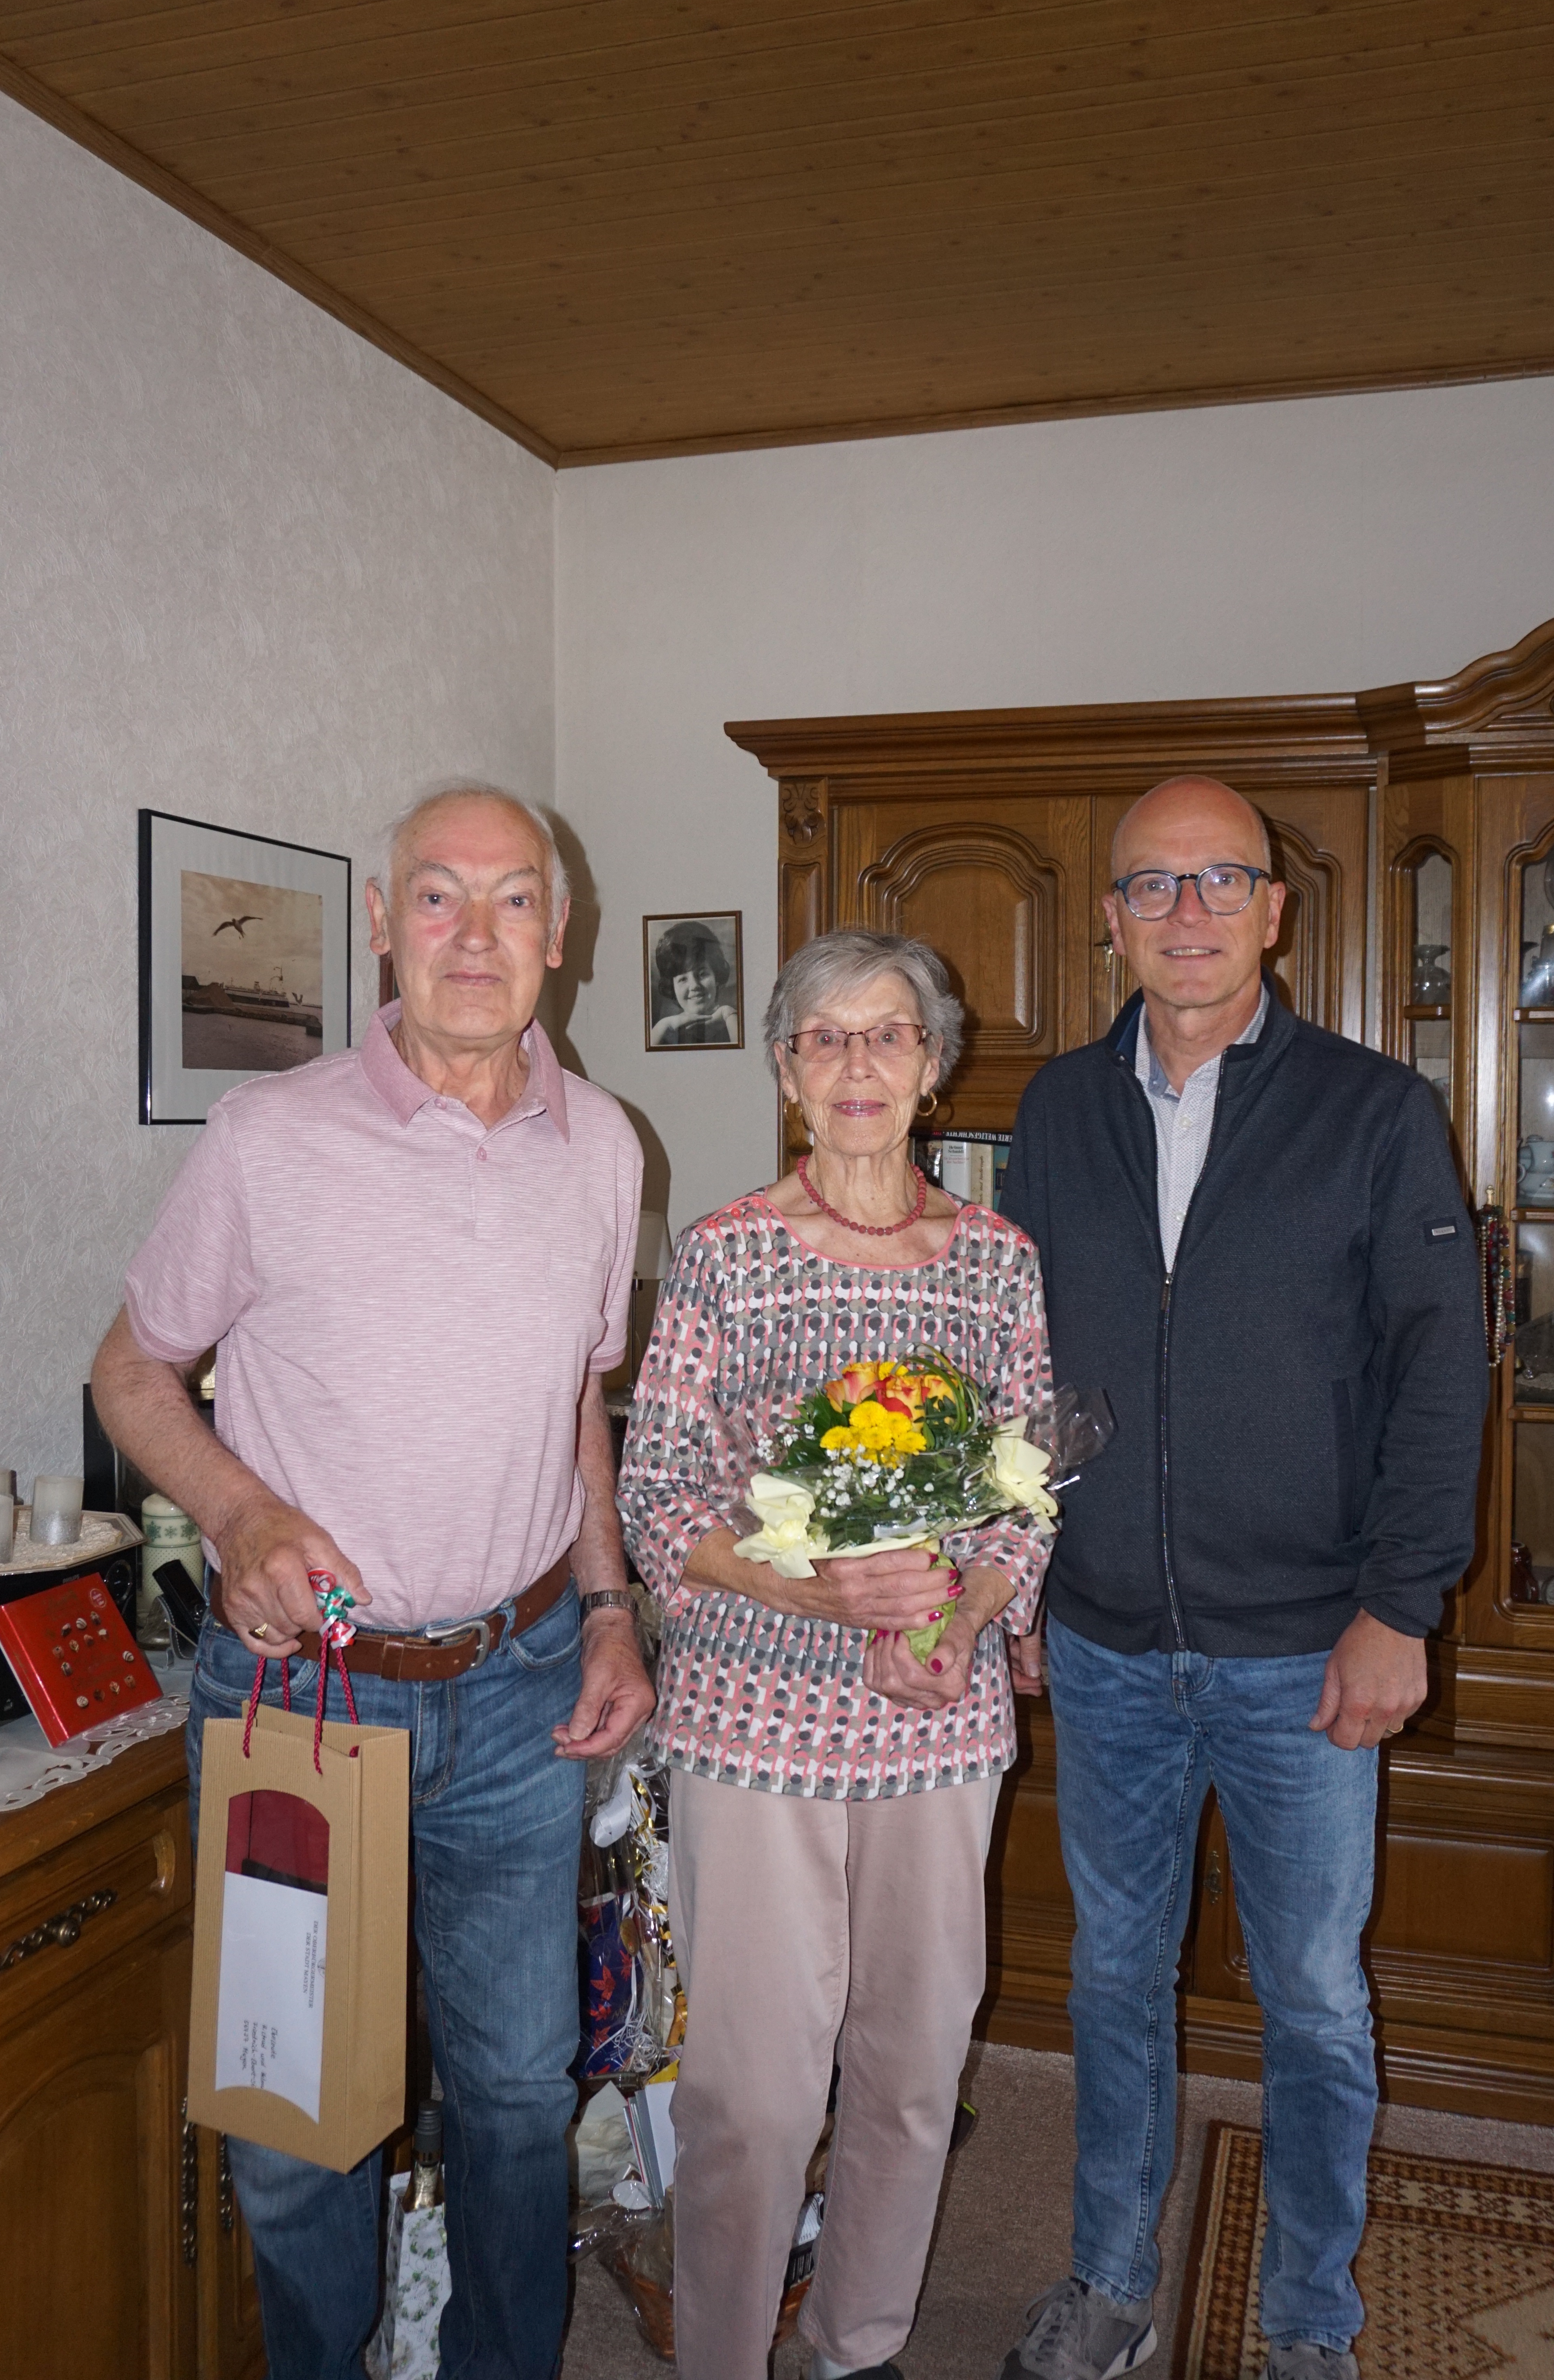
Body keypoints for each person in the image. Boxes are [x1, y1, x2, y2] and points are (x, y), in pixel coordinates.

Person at [91, 780, 655, 2380]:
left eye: (513, 900)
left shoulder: (604, 1147)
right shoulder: (269, 1139)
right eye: (437, 896)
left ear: (563, 929)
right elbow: (136, 1376)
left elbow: (574, 1403)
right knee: (294, 2126)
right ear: (385, 926)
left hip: (527, 1685)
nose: (476, 935)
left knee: (516, 2097)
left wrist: (610, 1610)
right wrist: (244, 1515)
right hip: (304, 1703)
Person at [997, 776, 1487, 2380]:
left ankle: (1307, 2325)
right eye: (1153, 885)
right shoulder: (1057, 1114)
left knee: (1315, 2005)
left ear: (1274, 911)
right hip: (1108, 1645)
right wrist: (1011, 1576)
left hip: (1306, 1654)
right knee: (1115, 1978)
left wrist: (1400, 1607)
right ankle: (1112, 2282)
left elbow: (1440, 1377)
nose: (1188, 913)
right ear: (1116, 920)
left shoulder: (1374, 1109)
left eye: (1221, 881)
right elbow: (1021, 1378)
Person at [617, 926, 1056, 2380]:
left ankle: (857, 2339)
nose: (856, 1063)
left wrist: (962, 1610)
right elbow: (656, 1494)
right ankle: (726, 2353)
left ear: (930, 1067)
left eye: (886, 1035)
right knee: (750, 2088)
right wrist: (819, 1592)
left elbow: (1022, 1497)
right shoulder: (728, 1254)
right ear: (787, 1072)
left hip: (936, 1724)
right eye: (824, 1037)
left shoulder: (997, 1264)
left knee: (916, 2066)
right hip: (753, 1722)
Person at [649, 917, 740, 1045]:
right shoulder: (667, 1030)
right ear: (672, 988)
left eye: (702, 974)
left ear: (717, 977)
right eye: (683, 979)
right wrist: (665, 1025)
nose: (694, 986)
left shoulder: (732, 1020)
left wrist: (729, 1015)